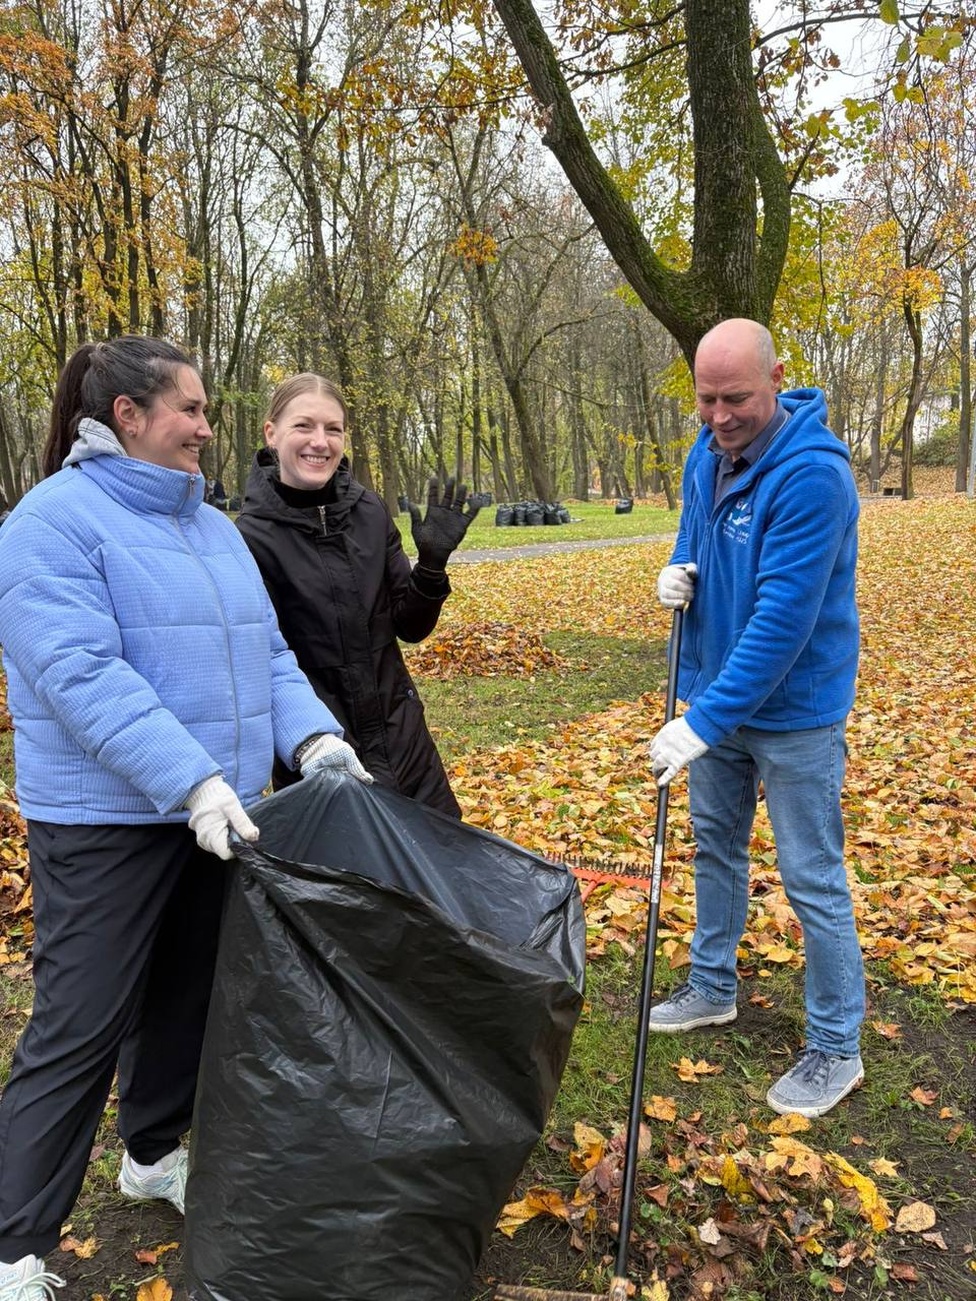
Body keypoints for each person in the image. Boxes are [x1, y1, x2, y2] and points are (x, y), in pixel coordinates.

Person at [0, 337, 370, 1301]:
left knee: (189, 998)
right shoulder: (50, 526)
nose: (208, 426)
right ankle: (11, 1248)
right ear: (128, 415)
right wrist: (192, 780)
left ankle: (152, 1153)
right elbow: (80, 674)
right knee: (81, 1024)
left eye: (206, 410)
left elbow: (268, 656)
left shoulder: (210, 527)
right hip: (108, 821)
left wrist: (316, 740)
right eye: (191, 409)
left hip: (217, 815)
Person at [647, 318, 865, 1119]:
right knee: (716, 848)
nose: (719, 416)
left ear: (776, 379)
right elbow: (694, 538)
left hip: (796, 710)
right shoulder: (705, 454)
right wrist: (678, 568)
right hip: (719, 695)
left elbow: (782, 623)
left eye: (735, 397)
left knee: (811, 875)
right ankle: (712, 986)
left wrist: (700, 722)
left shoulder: (813, 476)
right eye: (705, 399)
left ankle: (837, 1043)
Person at [236, 373, 479, 818]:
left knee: (447, 854)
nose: (320, 441)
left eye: (333, 429)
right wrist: (310, 744)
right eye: (303, 426)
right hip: (325, 754)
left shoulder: (368, 510)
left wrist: (431, 566)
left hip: (405, 741)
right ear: (271, 433)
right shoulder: (249, 538)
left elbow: (410, 627)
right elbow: (261, 666)